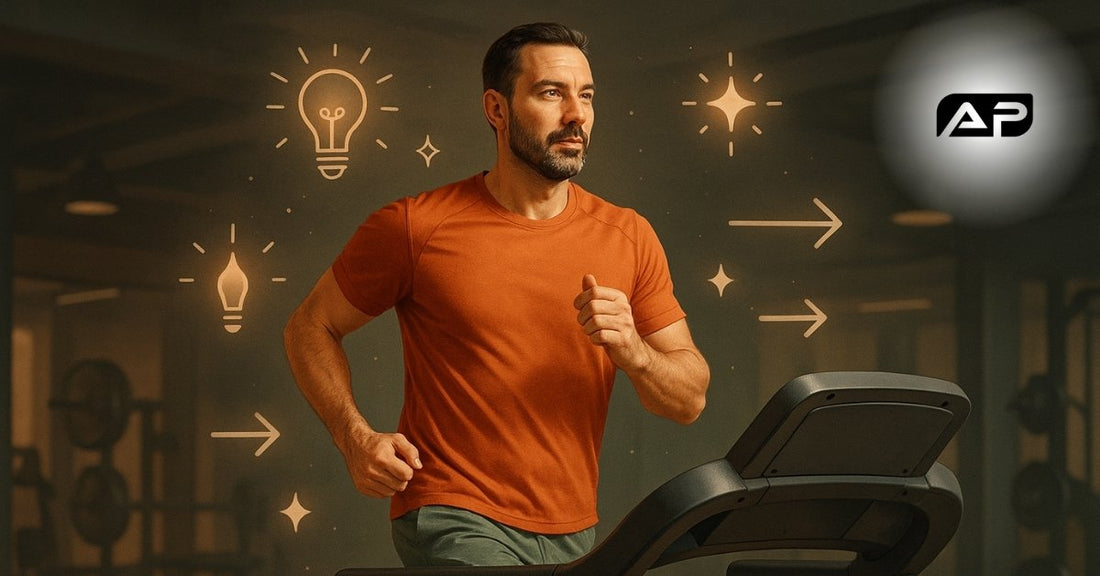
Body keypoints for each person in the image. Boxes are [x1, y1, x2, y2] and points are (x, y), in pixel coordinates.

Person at [283, 22, 710, 567]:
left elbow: (689, 399)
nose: (576, 114)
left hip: (573, 529)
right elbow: (309, 326)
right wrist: (353, 437)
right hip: (451, 512)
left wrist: (636, 354)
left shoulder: (628, 235)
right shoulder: (416, 226)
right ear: (497, 109)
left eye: (586, 96)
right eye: (551, 93)